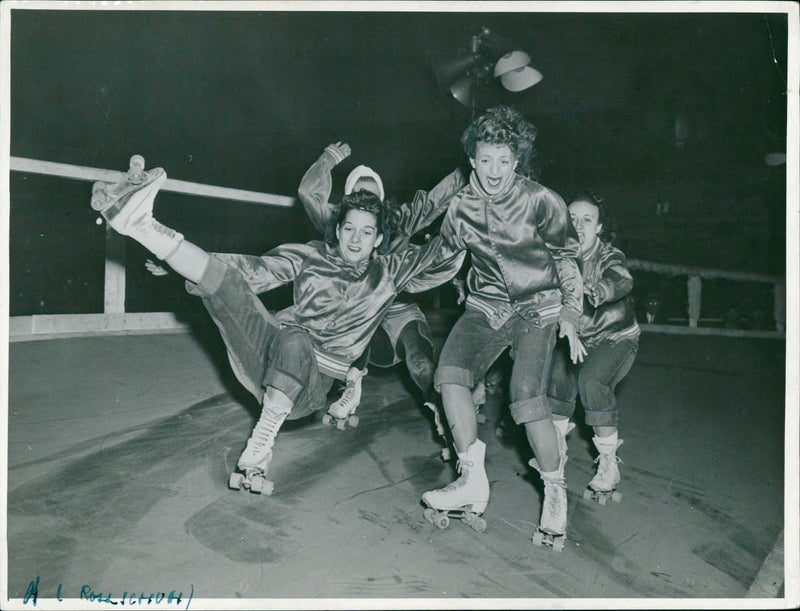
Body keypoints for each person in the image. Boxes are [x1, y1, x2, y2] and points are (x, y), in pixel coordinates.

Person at [91, 159, 464, 494]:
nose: (356, 240)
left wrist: (479, 192)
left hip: (310, 386)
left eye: (367, 233)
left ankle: (262, 440)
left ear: (379, 239)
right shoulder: (311, 255)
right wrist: (177, 264)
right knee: (232, 284)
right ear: (337, 230)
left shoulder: (390, 272)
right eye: (349, 229)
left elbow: (445, 251)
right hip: (267, 356)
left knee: (295, 339)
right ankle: (140, 225)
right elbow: (252, 268)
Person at [421, 106, 585, 545]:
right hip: (487, 306)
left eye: (504, 160)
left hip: (540, 307)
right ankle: (471, 477)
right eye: (486, 159)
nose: (494, 171)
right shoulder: (459, 207)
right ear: (472, 159)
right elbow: (440, 260)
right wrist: (387, 280)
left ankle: (555, 490)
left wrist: (571, 313)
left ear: (517, 160)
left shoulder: (540, 199)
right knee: (450, 374)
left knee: (525, 397)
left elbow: (568, 259)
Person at [297, 141, 467, 426]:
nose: (369, 207)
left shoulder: (398, 221)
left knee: (421, 364)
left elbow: (436, 200)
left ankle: (445, 412)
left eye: (374, 200)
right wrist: (327, 159)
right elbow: (308, 194)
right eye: (361, 198)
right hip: (354, 318)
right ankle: (352, 381)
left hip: (397, 312)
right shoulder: (339, 226)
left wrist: (469, 167)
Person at [548, 194, 640, 503]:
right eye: (572, 218)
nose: (578, 225)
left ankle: (609, 464)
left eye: (586, 219)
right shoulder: (555, 256)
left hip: (615, 337)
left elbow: (621, 277)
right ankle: (555, 454)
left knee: (591, 381)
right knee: (556, 382)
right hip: (576, 337)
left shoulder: (609, 255)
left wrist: (600, 289)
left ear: (598, 228)